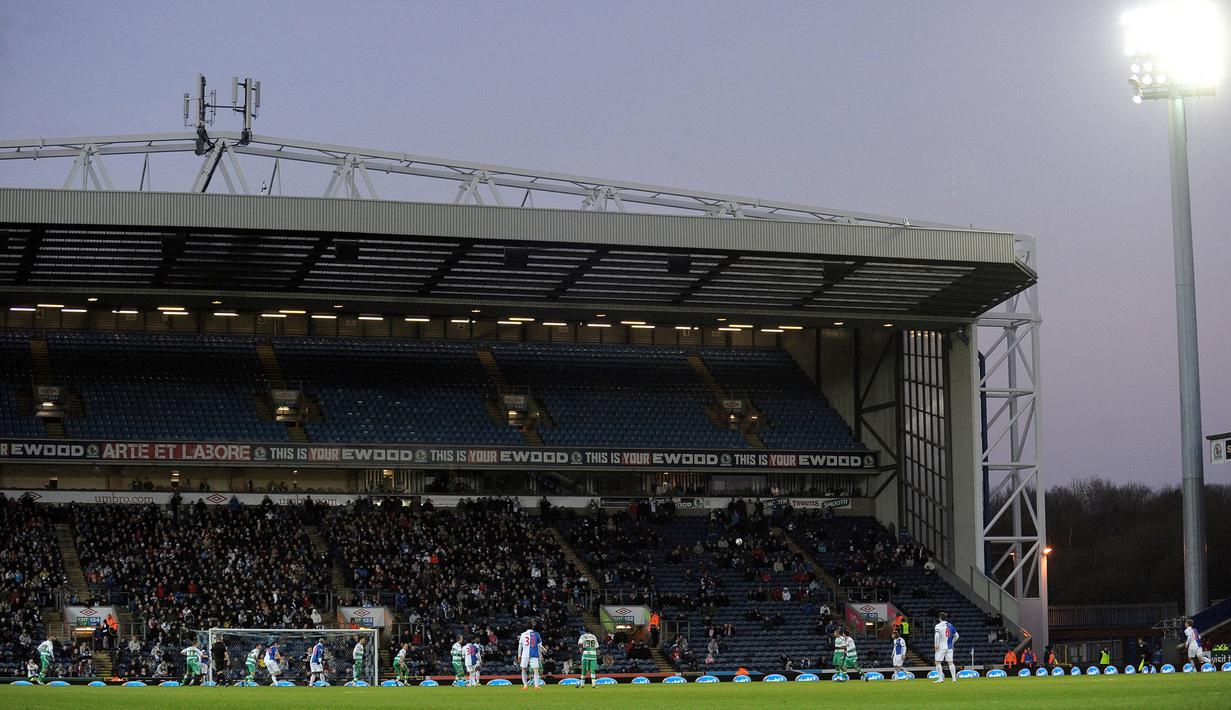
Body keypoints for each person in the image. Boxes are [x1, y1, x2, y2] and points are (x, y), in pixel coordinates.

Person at [933, 612, 958, 683]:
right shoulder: (951, 625)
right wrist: (952, 643)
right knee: (950, 662)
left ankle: (940, 679)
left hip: (941, 646)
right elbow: (957, 636)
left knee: (937, 662)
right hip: (949, 647)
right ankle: (954, 678)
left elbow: (937, 635)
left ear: (939, 618)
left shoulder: (938, 626)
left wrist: (936, 645)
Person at [518, 625, 544, 690]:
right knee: (536, 669)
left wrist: (519, 655)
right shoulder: (536, 634)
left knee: (523, 669)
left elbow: (520, 645)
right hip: (534, 654)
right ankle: (536, 686)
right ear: (532, 628)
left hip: (525, 654)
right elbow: (540, 645)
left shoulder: (523, 634)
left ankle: (525, 686)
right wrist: (540, 654)